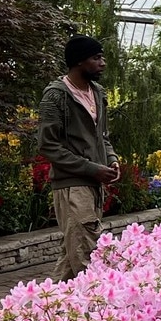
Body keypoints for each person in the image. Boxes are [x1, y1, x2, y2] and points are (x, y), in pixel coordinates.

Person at [40, 33, 120, 280]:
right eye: (96, 58)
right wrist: (90, 168)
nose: (103, 63)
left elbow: (101, 135)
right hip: (72, 185)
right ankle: (96, 309)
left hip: (93, 185)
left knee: (72, 255)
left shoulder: (97, 92)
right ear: (78, 62)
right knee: (88, 256)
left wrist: (111, 158)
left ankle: (43, 307)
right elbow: (48, 146)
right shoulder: (55, 96)